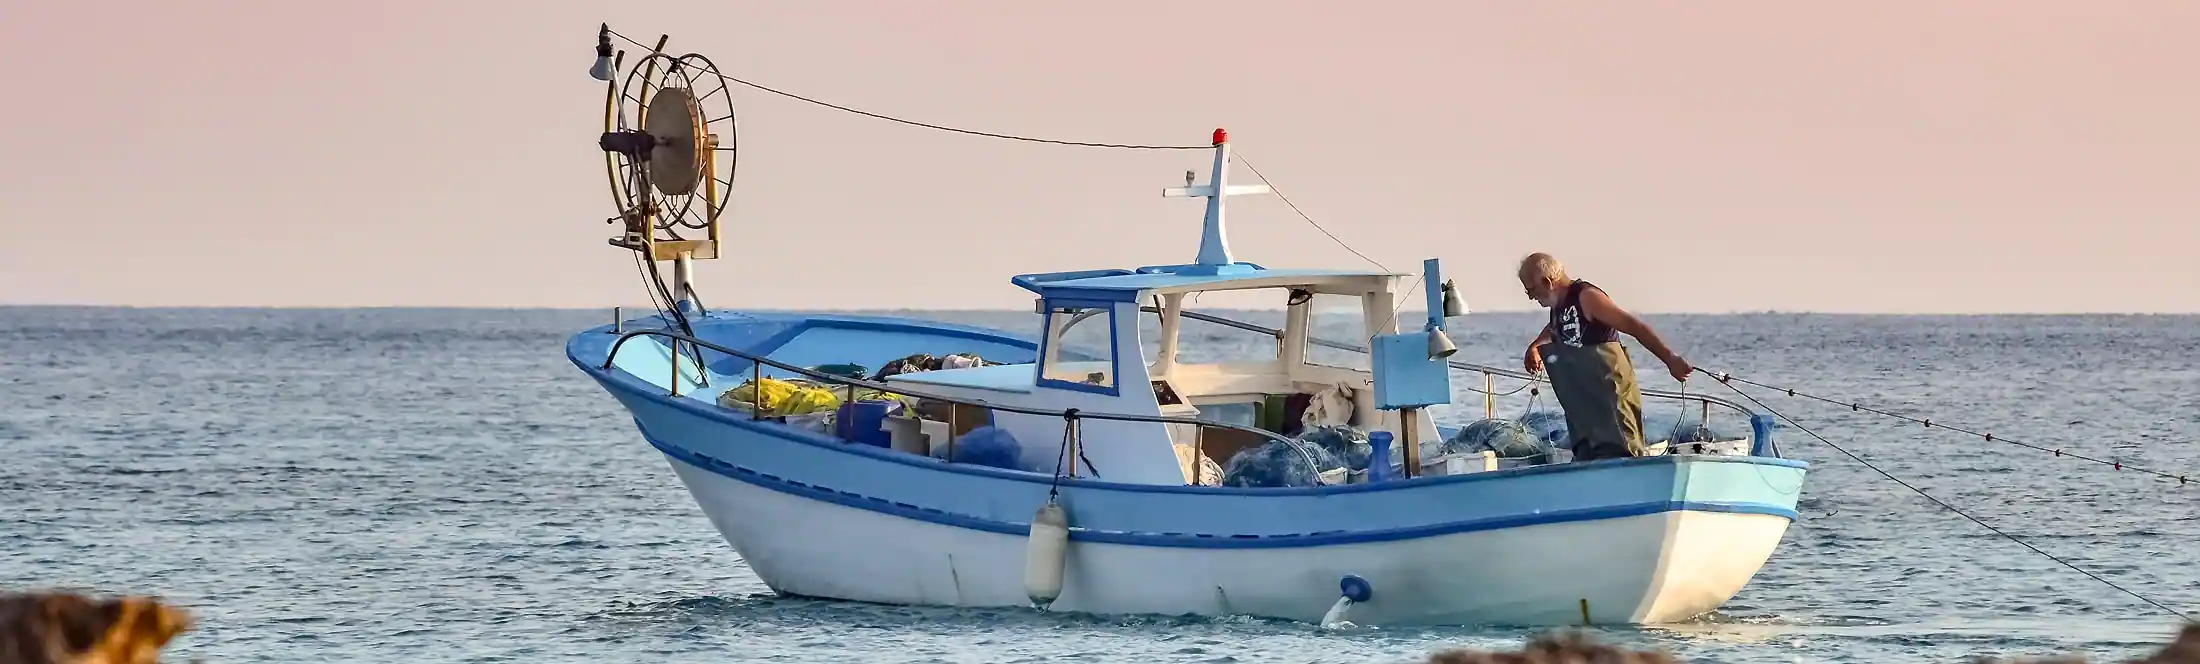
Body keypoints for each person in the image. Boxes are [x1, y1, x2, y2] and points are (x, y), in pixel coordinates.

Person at [1517, 253, 1692, 461]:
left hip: (1610, 396)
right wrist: (1536, 346)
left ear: (1547, 282)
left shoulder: (1588, 297)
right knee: (1586, 453)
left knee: (1622, 449)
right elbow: (1555, 327)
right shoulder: (1558, 307)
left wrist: (1670, 359)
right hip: (1584, 402)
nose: (1530, 297)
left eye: (1531, 289)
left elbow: (1634, 326)